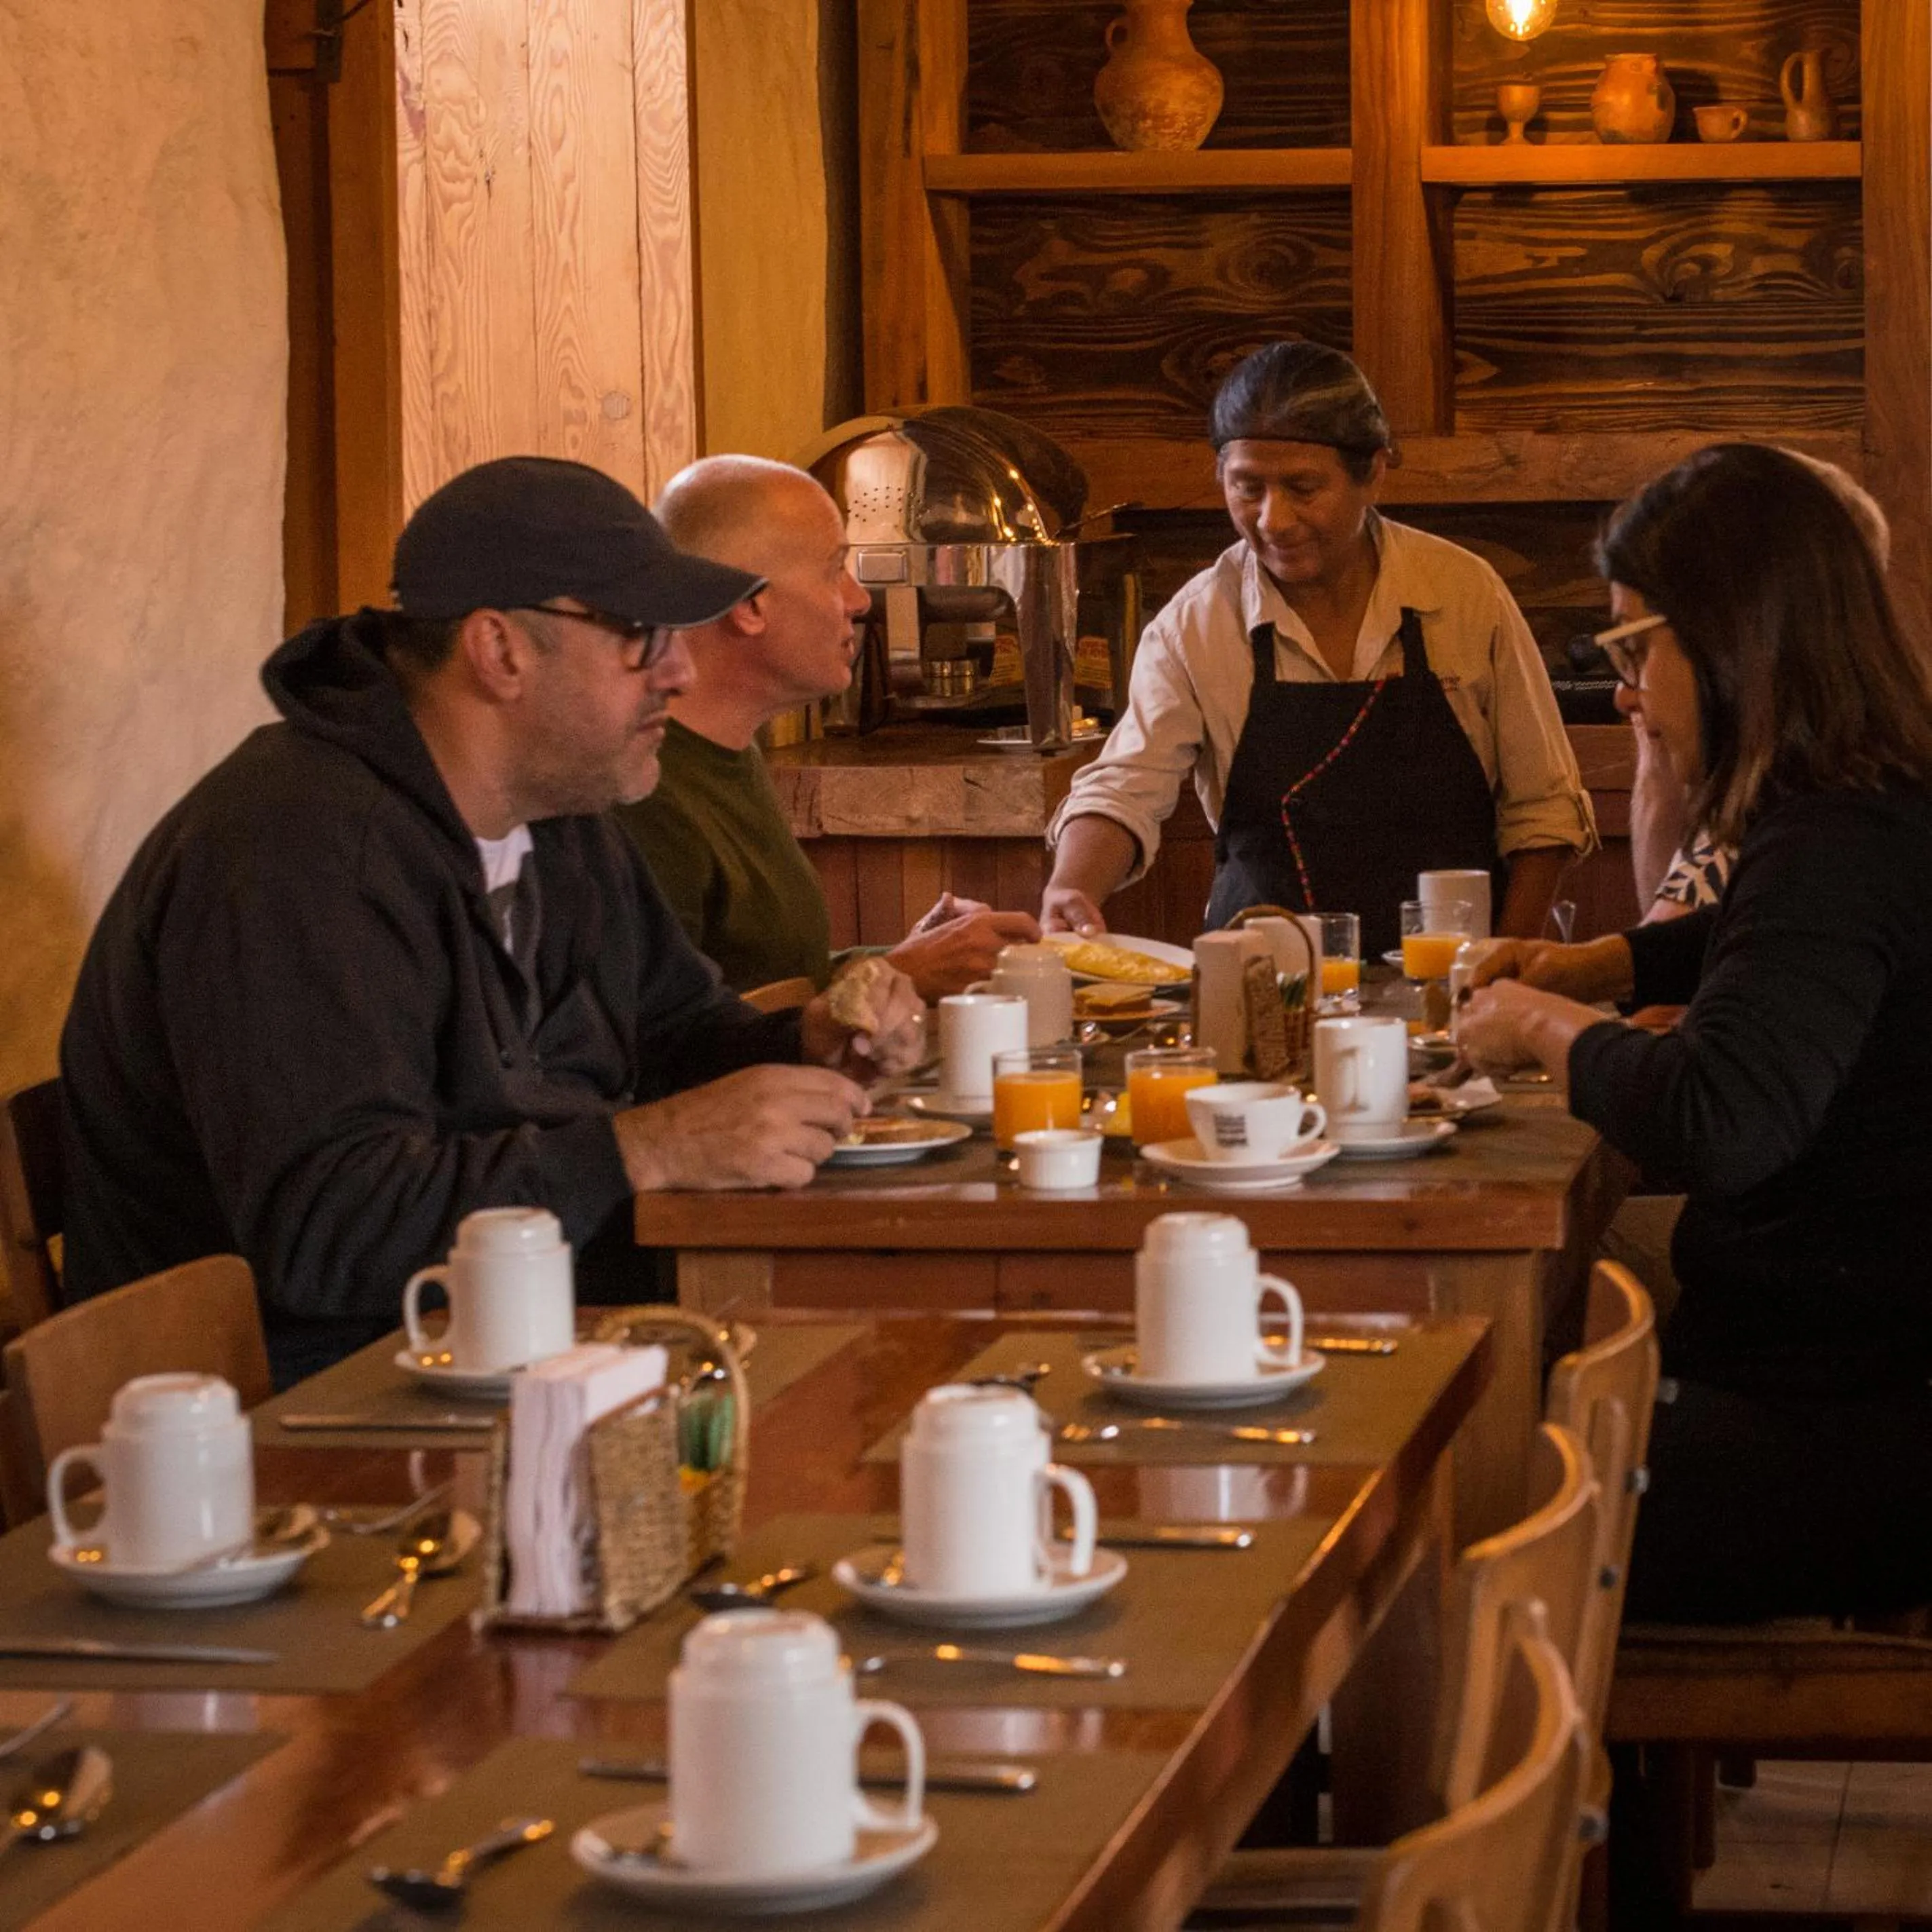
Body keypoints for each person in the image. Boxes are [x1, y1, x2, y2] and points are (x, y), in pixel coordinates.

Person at [61, 457, 924, 1385]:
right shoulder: (296, 852)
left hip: (521, 1346)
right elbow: (330, 1230)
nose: (677, 669)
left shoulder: (559, 815)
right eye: (640, 634)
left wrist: (808, 1040)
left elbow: (672, 1033)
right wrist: (649, 1146)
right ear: (500, 649)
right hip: (302, 1415)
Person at [1454, 442, 1932, 1624]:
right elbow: (1775, 953)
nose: (1624, 692)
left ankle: (1502, 1794)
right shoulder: (1870, 803)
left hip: (1852, 1434)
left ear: (1732, 639)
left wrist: (1542, 1024)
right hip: (1860, 1379)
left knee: (1452, 1487)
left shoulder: (1830, 842)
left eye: (1635, 648)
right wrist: (1609, 963)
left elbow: (1723, 1117)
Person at [1040, 342, 1594, 956]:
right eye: (1247, 488)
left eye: (1303, 488)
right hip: (1261, 978)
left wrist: (1507, 960)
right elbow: (1124, 789)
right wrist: (1072, 885)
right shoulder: (1195, 624)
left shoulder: (1462, 594)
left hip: (1448, 975)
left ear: (1373, 472)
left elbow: (1543, 810)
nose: (1273, 520)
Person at [613, 455, 1042, 998]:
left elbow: (771, 983)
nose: (859, 599)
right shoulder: (642, 794)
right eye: (833, 569)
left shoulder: (731, 749)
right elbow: (668, 1051)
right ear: (748, 605)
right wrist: (893, 977)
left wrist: (905, 960)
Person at [1629, 452, 1893, 926]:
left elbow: (1679, 979)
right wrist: (1658, 764)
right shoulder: (1762, 757)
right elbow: (1667, 944)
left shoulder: (1819, 797)